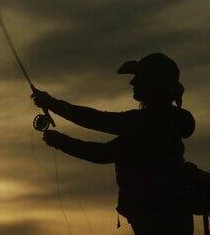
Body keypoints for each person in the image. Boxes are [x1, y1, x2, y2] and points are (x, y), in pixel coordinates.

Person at [32, 53, 195, 235]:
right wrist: (56, 122)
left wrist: (59, 135)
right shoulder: (162, 123)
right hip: (167, 217)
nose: (132, 83)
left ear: (153, 85)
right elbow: (101, 136)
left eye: (138, 78)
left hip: (157, 220)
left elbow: (101, 144)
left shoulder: (149, 123)